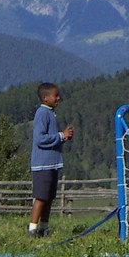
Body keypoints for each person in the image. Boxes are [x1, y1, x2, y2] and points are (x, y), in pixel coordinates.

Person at [27, 82, 74, 238]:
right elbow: (40, 139)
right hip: (43, 164)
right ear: (46, 98)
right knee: (41, 197)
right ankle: (32, 229)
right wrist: (61, 135)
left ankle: (44, 228)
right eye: (56, 95)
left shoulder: (50, 113)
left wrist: (63, 137)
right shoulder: (42, 114)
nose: (58, 98)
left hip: (52, 163)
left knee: (49, 197)